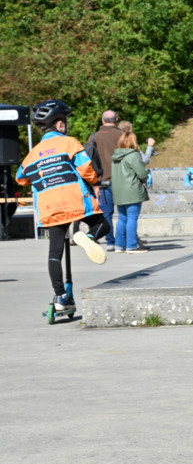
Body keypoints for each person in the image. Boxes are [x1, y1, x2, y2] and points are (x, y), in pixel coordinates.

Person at [16, 100, 109, 313]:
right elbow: (86, 168)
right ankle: (89, 237)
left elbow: (20, 177)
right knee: (103, 225)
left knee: (54, 253)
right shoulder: (69, 143)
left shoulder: (32, 154)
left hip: (50, 208)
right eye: (64, 122)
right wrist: (95, 180)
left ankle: (60, 296)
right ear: (59, 125)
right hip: (75, 202)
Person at [86, 110, 122, 251]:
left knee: (107, 213)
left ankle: (110, 242)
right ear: (116, 120)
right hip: (122, 181)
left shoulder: (94, 137)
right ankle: (123, 241)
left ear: (102, 121)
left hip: (102, 182)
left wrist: (94, 182)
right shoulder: (122, 135)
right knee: (125, 214)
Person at [111, 132, 150, 253]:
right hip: (132, 189)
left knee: (122, 218)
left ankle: (119, 245)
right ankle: (132, 245)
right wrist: (145, 179)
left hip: (118, 190)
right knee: (132, 217)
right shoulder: (133, 155)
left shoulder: (115, 156)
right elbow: (142, 173)